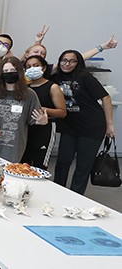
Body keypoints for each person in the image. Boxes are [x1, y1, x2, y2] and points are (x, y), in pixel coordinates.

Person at [52, 50, 114, 195]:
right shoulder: (56, 77)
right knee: (62, 162)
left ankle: (76, 197)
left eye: (72, 61)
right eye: (64, 60)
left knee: (83, 165)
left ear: (78, 62)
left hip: (91, 126)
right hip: (69, 126)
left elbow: (106, 98)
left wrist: (110, 124)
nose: (67, 64)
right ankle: (57, 193)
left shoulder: (84, 76)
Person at [0, 56, 48, 163]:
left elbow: (35, 119)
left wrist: (43, 121)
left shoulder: (29, 95)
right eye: (5, 71)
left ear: (19, 72)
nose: (9, 73)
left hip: (12, 146)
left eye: (12, 70)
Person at [20, 55, 67, 169]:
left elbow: (62, 112)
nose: (32, 68)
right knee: (23, 163)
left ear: (44, 68)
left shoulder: (52, 87)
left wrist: (41, 109)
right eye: (29, 66)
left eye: (36, 66)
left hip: (45, 129)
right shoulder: (24, 88)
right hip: (26, 129)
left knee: (39, 164)